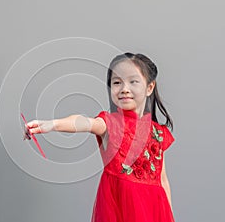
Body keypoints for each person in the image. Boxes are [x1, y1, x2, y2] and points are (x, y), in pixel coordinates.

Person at [23, 52, 175, 222]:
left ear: (149, 87)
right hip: (117, 210)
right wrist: (52, 124)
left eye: (133, 82)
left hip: (155, 212)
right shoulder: (110, 124)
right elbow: (83, 122)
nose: (124, 89)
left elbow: (162, 181)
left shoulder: (158, 133)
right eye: (117, 82)